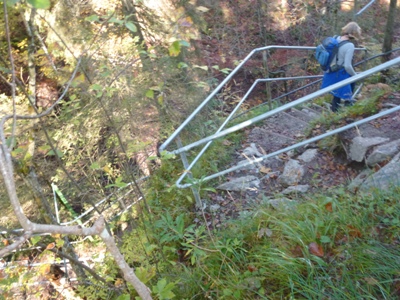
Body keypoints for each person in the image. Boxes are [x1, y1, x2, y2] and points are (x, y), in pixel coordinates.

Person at [320, 22, 362, 112]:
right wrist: (356, 76)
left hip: (331, 70)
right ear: (355, 33)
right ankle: (348, 106)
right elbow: (347, 65)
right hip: (340, 73)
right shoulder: (350, 45)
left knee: (337, 92)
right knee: (350, 83)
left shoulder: (335, 38)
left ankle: (335, 109)